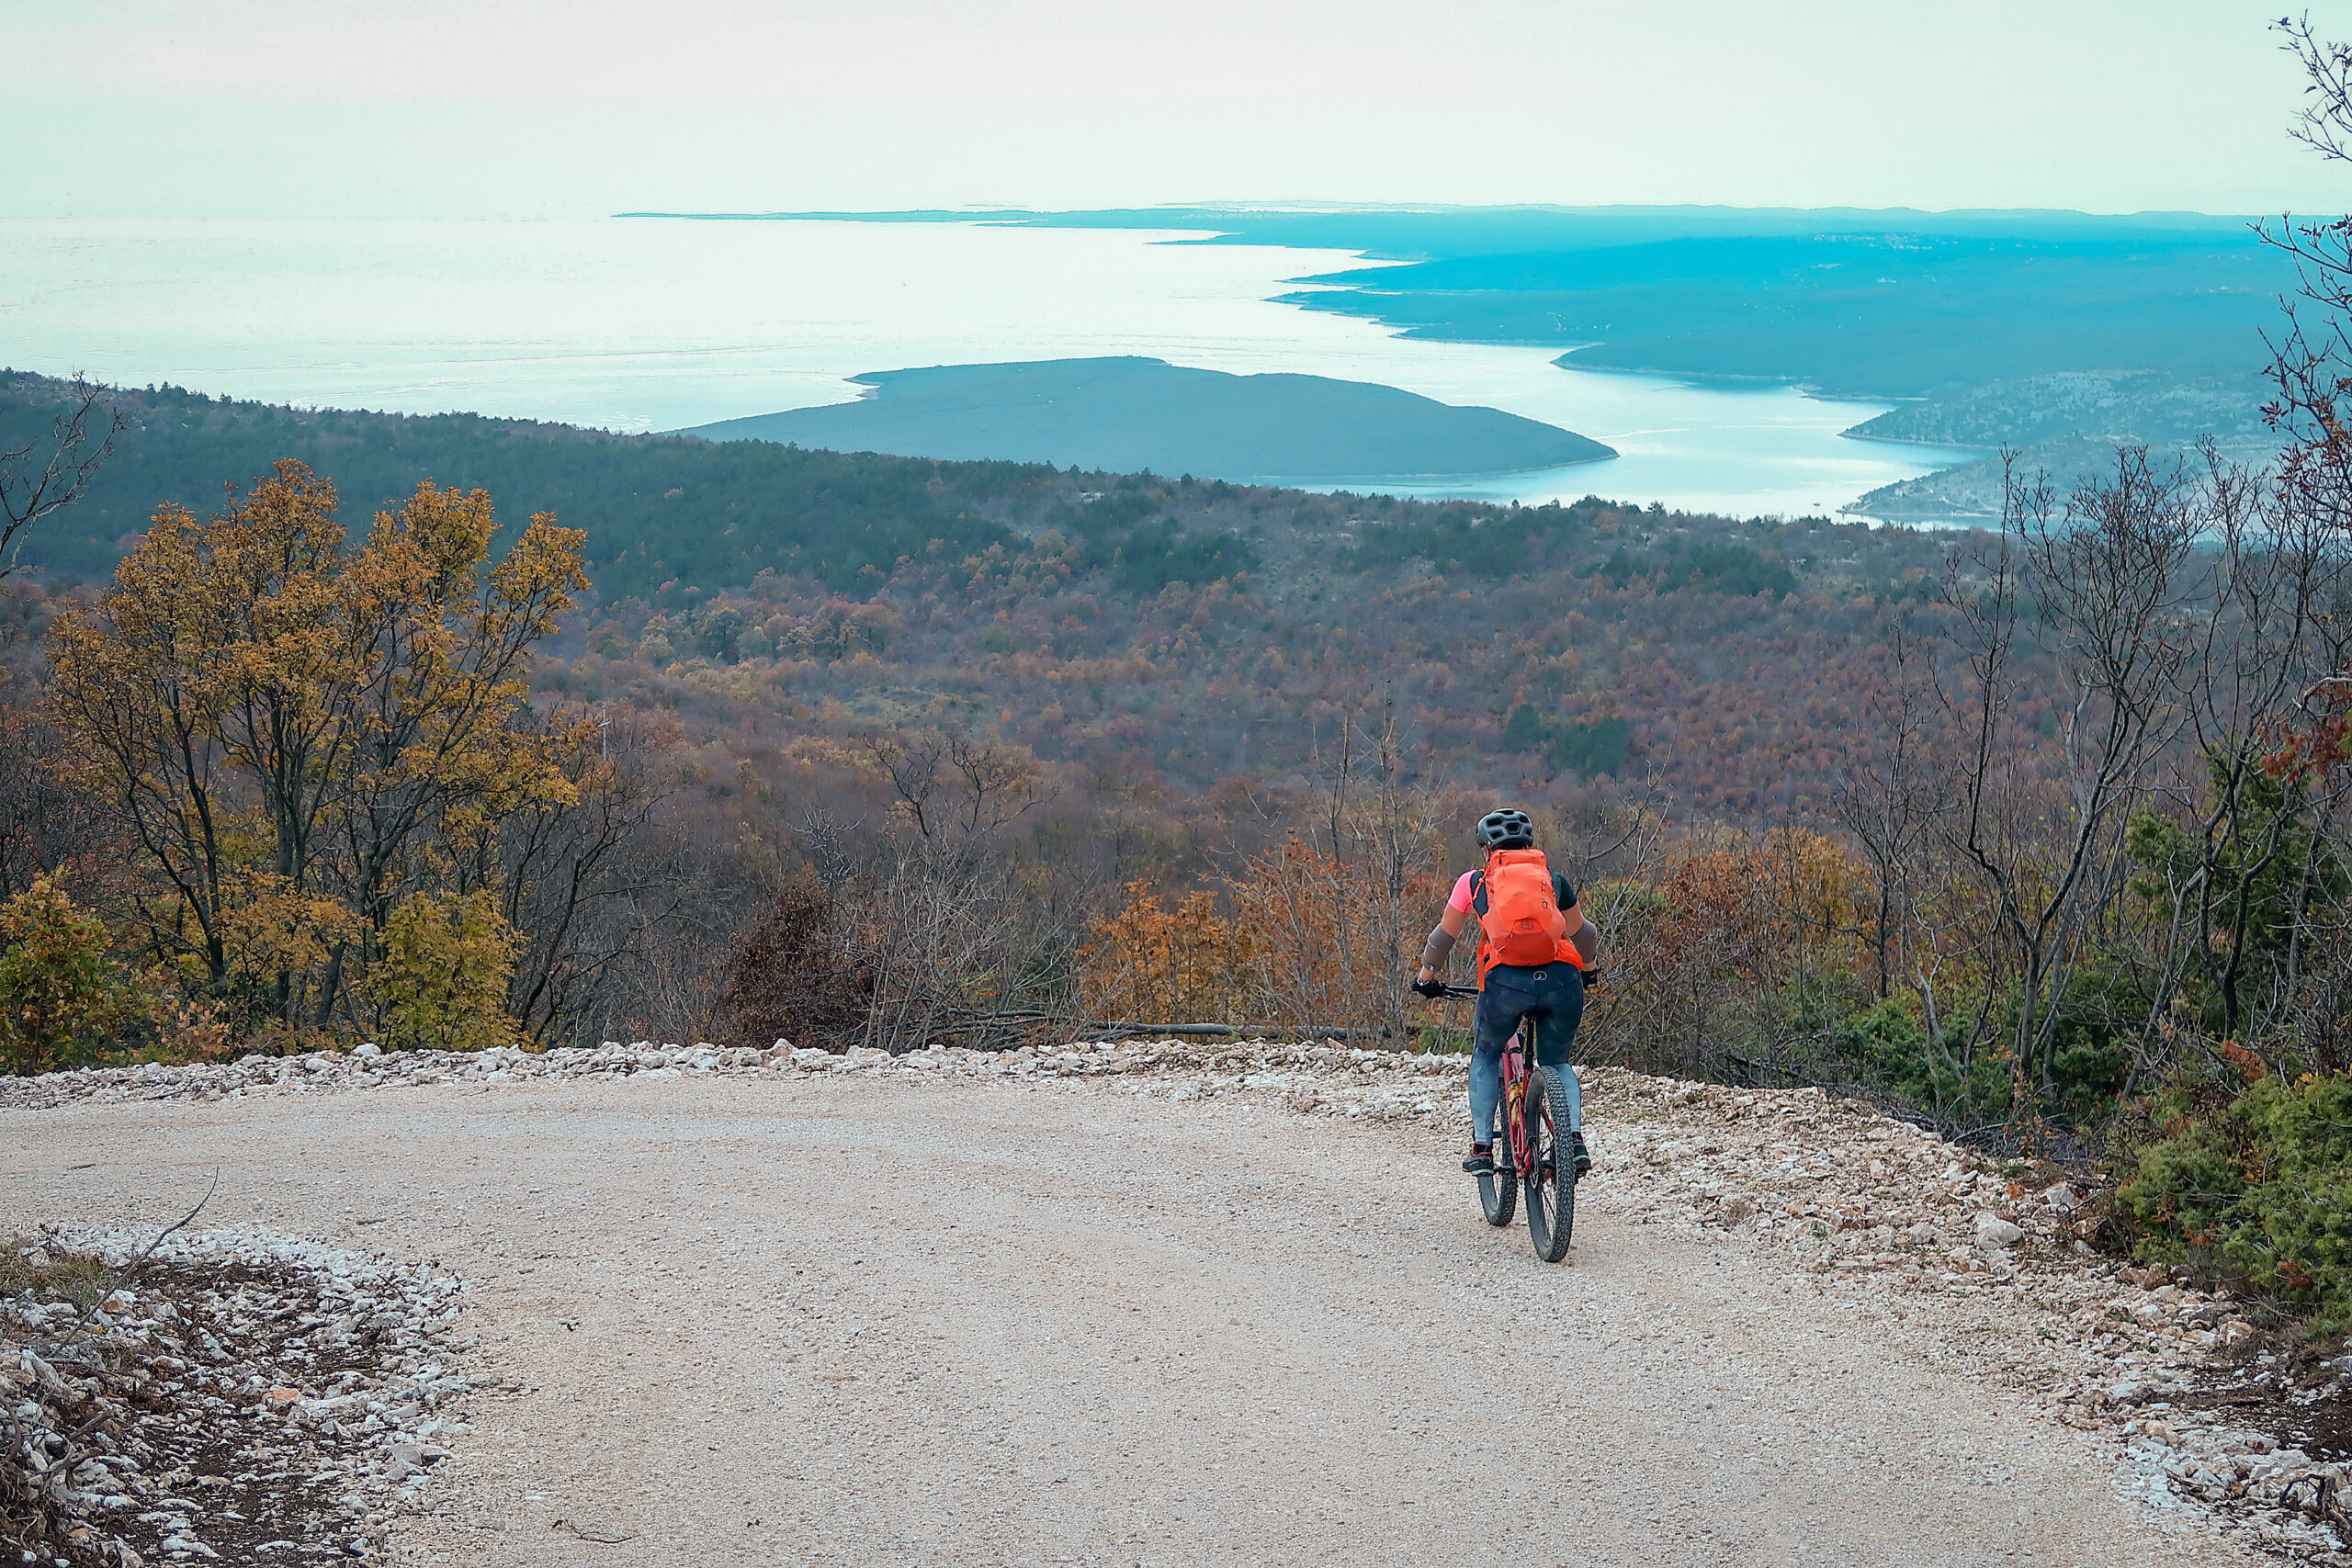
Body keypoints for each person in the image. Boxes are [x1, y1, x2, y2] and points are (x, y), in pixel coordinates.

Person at [1412, 807, 1597, 1178]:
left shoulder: (1474, 882)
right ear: (1529, 846)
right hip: (1561, 980)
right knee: (1558, 1063)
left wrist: (1426, 976)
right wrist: (1589, 972)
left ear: (1487, 850)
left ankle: (1482, 1147)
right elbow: (1585, 935)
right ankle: (1573, 1140)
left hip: (1505, 986)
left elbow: (1441, 938)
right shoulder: (1553, 880)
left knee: (1484, 1053)